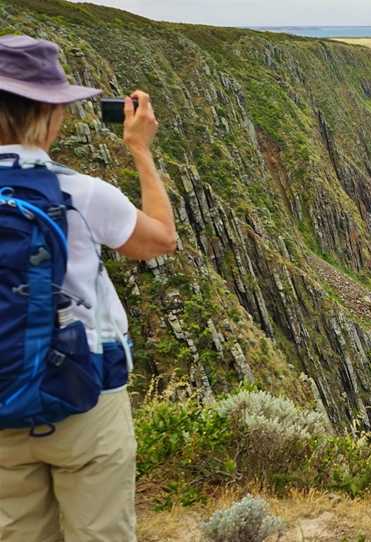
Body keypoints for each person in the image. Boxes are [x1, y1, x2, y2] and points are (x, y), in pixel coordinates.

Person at [0, 35, 176, 541]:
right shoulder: (81, 193)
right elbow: (160, 240)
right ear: (50, 113)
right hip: (84, 394)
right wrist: (140, 150)